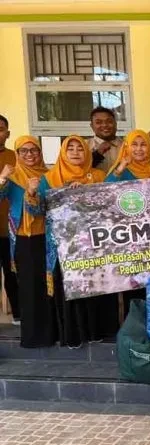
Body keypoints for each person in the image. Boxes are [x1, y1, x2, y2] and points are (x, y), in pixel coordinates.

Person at [25, 136, 119, 349]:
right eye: (71, 149)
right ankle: (73, 335)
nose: (76, 152)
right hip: (62, 246)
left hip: (94, 244)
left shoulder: (97, 175)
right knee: (69, 290)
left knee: (96, 286)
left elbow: (109, 205)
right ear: (63, 153)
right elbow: (37, 211)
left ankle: (99, 331)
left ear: (87, 153)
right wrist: (31, 193)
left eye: (80, 149)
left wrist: (85, 191)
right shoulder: (48, 179)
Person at [0, 136, 53, 347]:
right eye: (24, 151)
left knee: (48, 287)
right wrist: (2, 178)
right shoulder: (13, 177)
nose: (30, 155)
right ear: (18, 153)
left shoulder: (48, 177)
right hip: (24, 239)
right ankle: (33, 338)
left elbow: (44, 210)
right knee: (29, 288)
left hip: (48, 238)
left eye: (34, 150)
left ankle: (51, 333)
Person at [0, 115, 19, 324]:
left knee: (13, 274)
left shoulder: (16, 157)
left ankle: (19, 316)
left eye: (0, 129)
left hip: (11, 229)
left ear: (7, 133)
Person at [88, 107, 123, 173]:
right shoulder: (83, 147)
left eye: (109, 121)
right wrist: (98, 153)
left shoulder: (127, 146)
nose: (104, 125)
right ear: (92, 126)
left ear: (115, 124)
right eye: (98, 122)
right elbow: (80, 169)